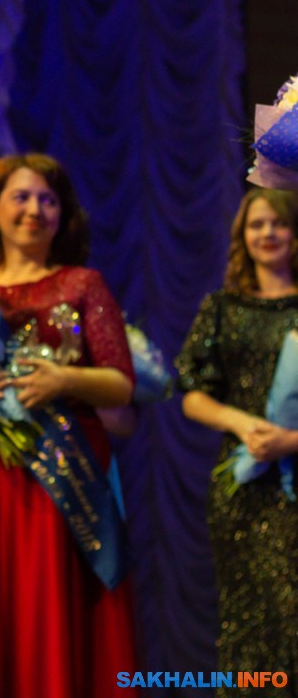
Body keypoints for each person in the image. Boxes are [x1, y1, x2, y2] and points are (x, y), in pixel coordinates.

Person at [0, 153, 139, 698]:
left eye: (48, 199)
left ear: (64, 215)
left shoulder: (83, 284)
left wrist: (64, 379)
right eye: (21, 197)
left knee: (55, 607)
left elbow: (120, 385)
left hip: (65, 477)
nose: (35, 210)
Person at [175, 188, 297, 690]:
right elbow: (192, 395)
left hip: (292, 473)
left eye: (278, 223)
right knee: (249, 617)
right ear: (241, 236)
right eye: (256, 225)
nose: (267, 233)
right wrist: (243, 425)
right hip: (243, 483)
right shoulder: (221, 307)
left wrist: (290, 442)